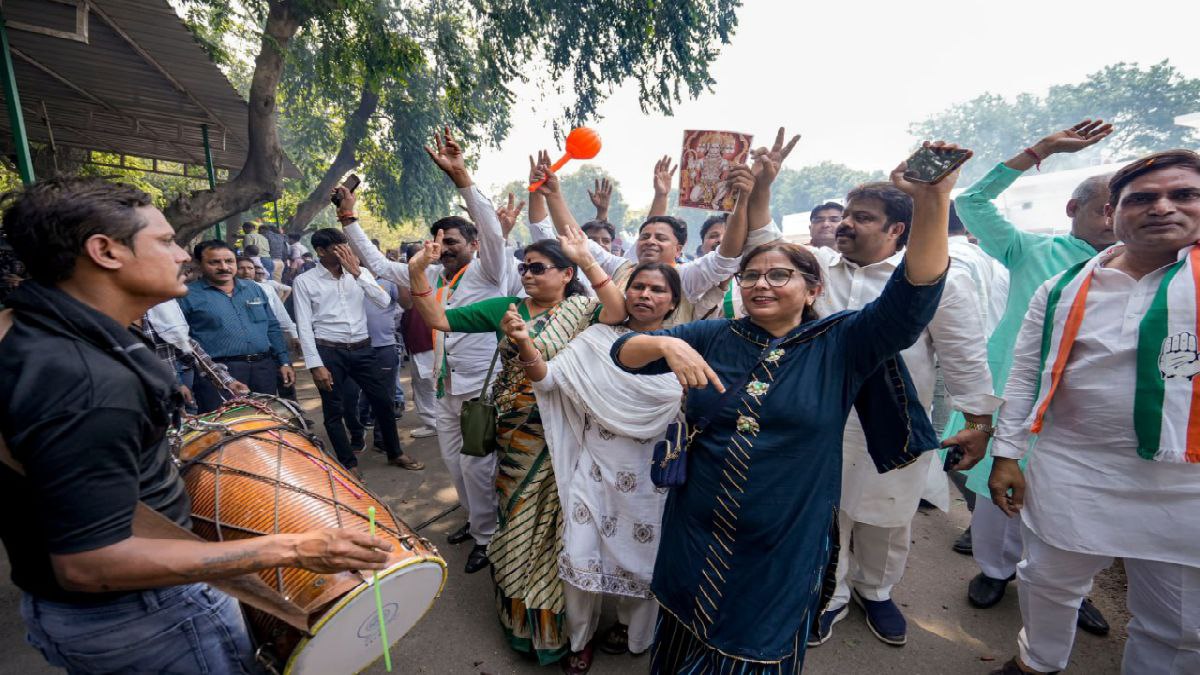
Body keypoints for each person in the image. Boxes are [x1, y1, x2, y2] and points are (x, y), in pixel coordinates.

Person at [0, 176, 392, 673]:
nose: (183, 254)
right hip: (146, 619)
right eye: (164, 241)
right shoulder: (86, 381)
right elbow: (88, 563)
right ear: (105, 251)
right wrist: (296, 545)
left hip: (86, 617)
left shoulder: (23, 330)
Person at [612, 142, 974, 674]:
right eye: (751, 276)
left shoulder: (843, 342)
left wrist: (933, 201)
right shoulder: (716, 335)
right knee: (685, 630)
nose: (762, 284)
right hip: (697, 520)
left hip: (785, 531)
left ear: (812, 289)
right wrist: (666, 344)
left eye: (779, 275)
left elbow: (912, 295)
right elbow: (624, 354)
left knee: (756, 643)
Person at [987, 148, 1200, 675]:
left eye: (1184, 195)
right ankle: (1038, 664)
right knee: (1048, 582)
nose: (1163, 207)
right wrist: (1007, 453)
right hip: (1075, 465)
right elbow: (1026, 375)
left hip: (1187, 479)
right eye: (1143, 198)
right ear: (1113, 213)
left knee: (1179, 617)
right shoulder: (1063, 286)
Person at [410, 160, 629, 665]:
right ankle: (526, 626)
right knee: (515, 525)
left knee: (564, 529)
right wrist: (419, 273)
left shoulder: (582, 308)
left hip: (569, 436)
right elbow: (438, 318)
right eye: (524, 267)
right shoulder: (504, 307)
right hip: (515, 436)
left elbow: (617, 310)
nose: (527, 275)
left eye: (539, 268)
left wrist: (588, 259)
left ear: (566, 274)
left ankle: (572, 630)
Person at [804, 180, 999, 648]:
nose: (846, 223)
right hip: (816, 419)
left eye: (863, 217)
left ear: (897, 229)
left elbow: (963, 353)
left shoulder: (935, 278)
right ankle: (829, 596)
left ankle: (877, 591)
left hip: (893, 421)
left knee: (886, 516)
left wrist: (978, 423)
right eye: (847, 213)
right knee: (824, 515)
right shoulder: (814, 270)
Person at [947, 120, 1115, 635]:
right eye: (1105, 206)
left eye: (1123, 205)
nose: (1116, 217)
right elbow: (972, 202)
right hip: (1015, 396)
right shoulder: (1033, 251)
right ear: (1073, 209)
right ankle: (995, 571)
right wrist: (1040, 150)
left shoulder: (1150, 268)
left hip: (1090, 408)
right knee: (1001, 490)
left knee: (1080, 501)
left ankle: (1071, 588)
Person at [338, 128, 520, 572]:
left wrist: (462, 178)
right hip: (445, 387)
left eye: (451, 242)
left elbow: (494, 234)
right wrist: (349, 221)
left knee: (478, 467)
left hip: (482, 389)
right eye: (436, 242)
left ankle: (488, 536)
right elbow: (379, 265)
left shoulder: (491, 273)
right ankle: (475, 520)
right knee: (456, 465)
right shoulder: (431, 276)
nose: (442, 249)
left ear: (473, 245)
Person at [506, 261, 684, 674]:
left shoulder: (684, 345)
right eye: (638, 286)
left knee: (643, 561)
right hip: (595, 468)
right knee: (580, 556)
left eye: (657, 290)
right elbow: (548, 380)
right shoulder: (596, 339)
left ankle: (631, 631)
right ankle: (579, 640)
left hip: (650, 479)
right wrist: (524, 344)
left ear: (673, 301)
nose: (644, 295)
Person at [529, 129, 798, 324]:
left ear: (679, 248)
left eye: (661, 238)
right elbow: (576, 239)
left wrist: (742, 201)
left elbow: (726, 258)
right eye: (645, 236)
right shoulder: (622, 267)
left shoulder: (687, 277)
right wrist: (553, 194)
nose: (650, 241)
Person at [292, 228, 422, 476]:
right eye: (338, 249)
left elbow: (384, 302)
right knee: (334, 410)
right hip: (329, 352)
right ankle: (348, 463)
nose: (345, 252)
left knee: (384, 402)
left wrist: (357, 274)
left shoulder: (359, 273)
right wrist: (315, 364)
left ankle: (395, 452)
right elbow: (304, 326)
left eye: (347, 247)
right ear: (320, 251)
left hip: (363, 349)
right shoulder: (304, 281)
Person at [177, 240, 294, 412]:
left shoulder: (253, 288)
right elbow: (180, 341)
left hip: (263, 368)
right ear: (199, 264)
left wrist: (284, 361)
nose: (224, 267)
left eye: (229, 261)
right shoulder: (187, 295)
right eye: (214, 262)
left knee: (266, 424)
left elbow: (272, 326)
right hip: (218, 374)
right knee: (228, 429)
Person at [398, 244, 438, 439]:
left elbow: (405, 302)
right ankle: (436, 420)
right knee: (431, 381)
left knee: (425, 382)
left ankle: (433, 422)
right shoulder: (438, 273)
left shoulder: (419, 275)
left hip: (423, 335)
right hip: (427, 335)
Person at [237, 256, 298, 344]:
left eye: (250, 268)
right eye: (241, 268)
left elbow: (281, 316)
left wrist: (294, 336)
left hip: (268, 341)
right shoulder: (228, 292)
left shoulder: (267, 288)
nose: (246, 272)